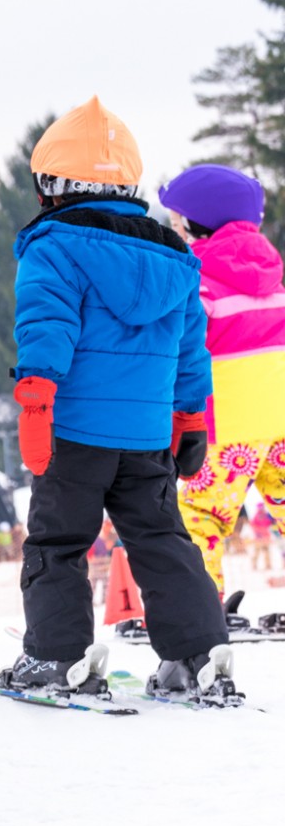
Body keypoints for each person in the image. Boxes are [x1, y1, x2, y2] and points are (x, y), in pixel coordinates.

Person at [0, 98, 234, 701]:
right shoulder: (175, 257)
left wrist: (35, 406)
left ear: (51, 183)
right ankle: (196, 657)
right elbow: (190, 351)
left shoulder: (53, 246)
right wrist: (189, 420)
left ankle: (56, 660)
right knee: (161, 542)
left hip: (74, 434)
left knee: (58, 544)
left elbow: (46, 331)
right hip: (149, 439)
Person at [157, 164, 285, 596]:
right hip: (281, 422)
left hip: (225, 429)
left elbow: (180, 350)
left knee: (200, 518)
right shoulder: (274, 280)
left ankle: (201, 609)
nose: (177, 233)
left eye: (178, 224)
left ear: (198, 224)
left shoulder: (198, 285)